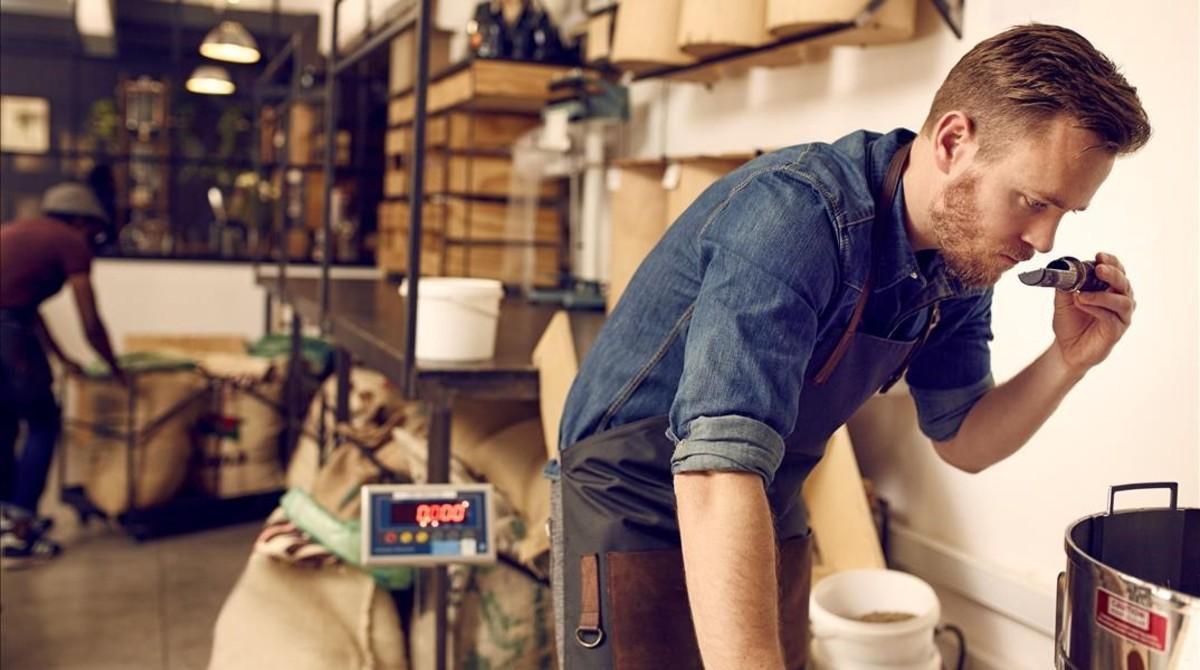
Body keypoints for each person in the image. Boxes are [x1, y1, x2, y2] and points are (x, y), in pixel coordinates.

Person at [552, 24, 1149, 669]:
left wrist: (1069, 360)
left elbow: (964, 441)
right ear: (953, 142)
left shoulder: (960, 263)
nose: (1042, 238)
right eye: (1033, 201)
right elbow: (715, 470)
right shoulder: (795, 216)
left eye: (1064, 214)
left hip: (765, 500)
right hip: (636, 498)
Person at [1, 182, 126, 567]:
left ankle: (10, 517)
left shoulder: (16, 231)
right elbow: (90, 319)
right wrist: (113, 365)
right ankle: (22, 532)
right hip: (8, 335)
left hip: (11, 327)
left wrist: (63, 358)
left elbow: (29, 309)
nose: (93, 240)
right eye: (93, 231)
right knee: (42, 423)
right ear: (80, 220)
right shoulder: (70, 242)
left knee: (4, 424)